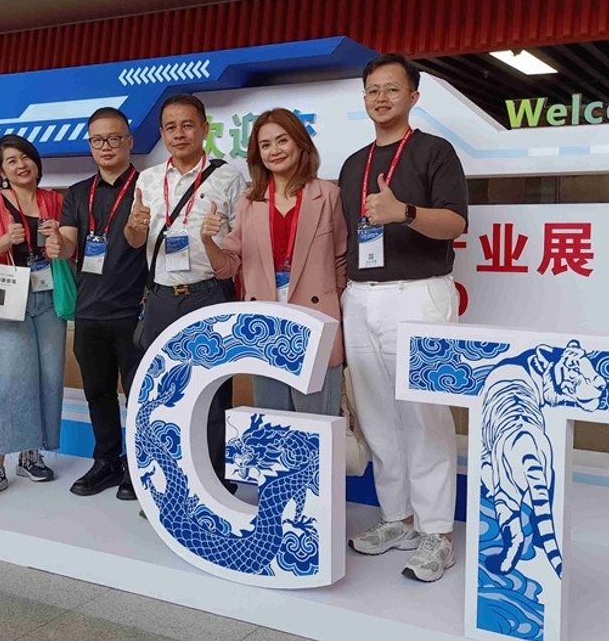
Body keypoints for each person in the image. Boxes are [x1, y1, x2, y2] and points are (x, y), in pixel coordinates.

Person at [338, 54, 468, 582]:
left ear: (413, 96)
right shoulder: (353, 164)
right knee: (376, 414)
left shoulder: (435, 152)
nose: (381, 98)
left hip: (419, 296)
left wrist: (404, 212)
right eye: (372, 90)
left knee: (424, 414)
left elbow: (455, 223)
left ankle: (437, 532)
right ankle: (398, 519)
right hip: (360, 296)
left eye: (391, 89)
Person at [124, 93, 245, 484]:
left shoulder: (228, 178)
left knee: (213, 392)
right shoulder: (147, 179)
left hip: (209, 294)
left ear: (204, 129)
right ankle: (169, 482)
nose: (179, 134)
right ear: (162, 133)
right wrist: (135, 227)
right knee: (164, 392)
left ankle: (215, 481)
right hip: (161, 297)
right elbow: (133, 240)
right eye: (171, 127)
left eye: (188, 125)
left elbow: (241, 243)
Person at [201, 107, 347, 414]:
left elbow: (341, 260)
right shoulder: (249, 200)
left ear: (300, 143)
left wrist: (338, 313)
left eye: (282, 140)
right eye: (265, 145)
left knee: (317, 424)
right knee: (272, 423)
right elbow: (228, 266)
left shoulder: (328, 194)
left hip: (316, 319)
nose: (274, 150)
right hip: (265, 323)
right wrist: (207, 241)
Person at [0, 134, 68, 499]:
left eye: (25, 157)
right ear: (1, 172)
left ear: (36, 163)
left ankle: (31, 454)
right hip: (8, 295)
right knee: (8, 377)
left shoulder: (55, 201)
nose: (21, 165)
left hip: (48, 295)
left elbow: (69, 248)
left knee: (49, 374)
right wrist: (3, 242)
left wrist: (59, 239)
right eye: (11, 161)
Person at [58, 107, 146, 499]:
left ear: (129, 141)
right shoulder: (78, 193)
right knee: (98, 393)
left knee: (139, 395)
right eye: (97, 140)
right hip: (89, 310)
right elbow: (69, 244)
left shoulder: (147, 187)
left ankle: (138, 466)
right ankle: (106, 462)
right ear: (90, 145)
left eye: (113, 138)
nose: (106, 146)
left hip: (134, 311)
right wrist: (57, 244)